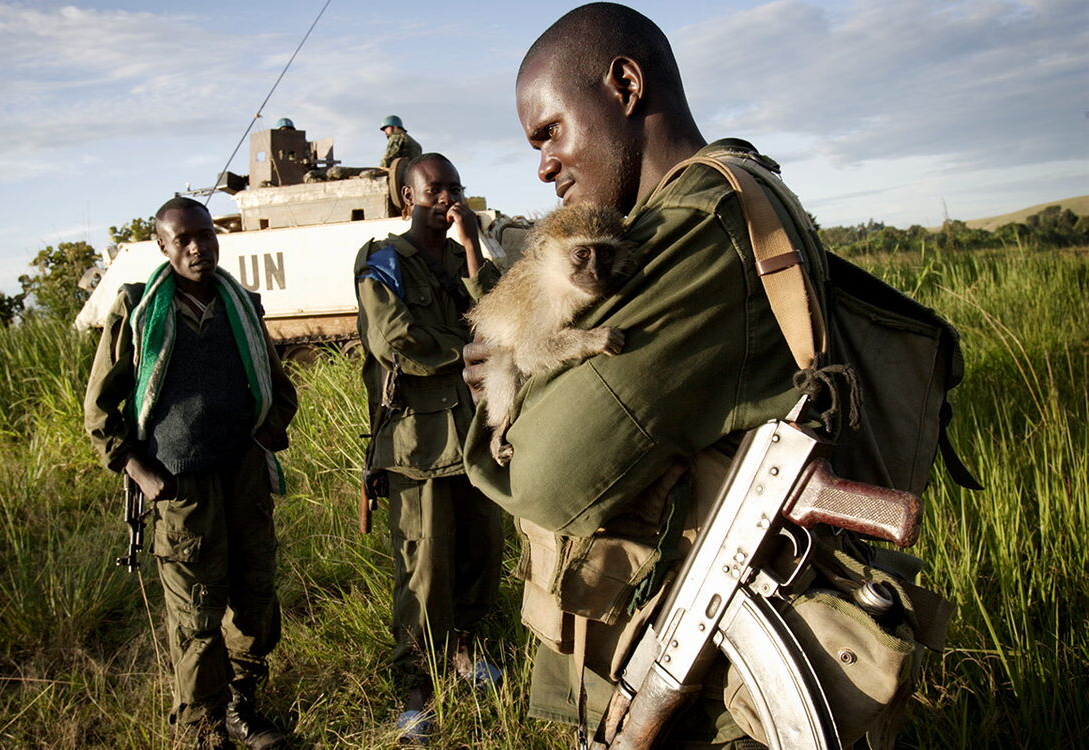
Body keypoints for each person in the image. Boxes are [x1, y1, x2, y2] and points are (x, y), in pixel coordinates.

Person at [461, 3, 838, 747]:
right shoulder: (681, 213)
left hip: (718, 696)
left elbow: (543, 476)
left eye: (550, 131)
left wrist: (497, 409)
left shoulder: (698, 225)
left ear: (626, 85)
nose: (541, 165)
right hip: (672, 654)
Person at [84, 196, 298, 750]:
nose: (199, 248)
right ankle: (202, 729)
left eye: (206, 235)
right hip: (182, 489)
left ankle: (242, 709)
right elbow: (100, 412)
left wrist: (265, 433)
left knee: (254, 600)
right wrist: (142, 473)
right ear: (164, 247)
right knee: (197, 615)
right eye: (184, 240)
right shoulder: (137, 309)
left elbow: (279, 389)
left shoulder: (240, 304)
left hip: (243, 479)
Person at [354, 153, 504, 742]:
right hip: (418, 442)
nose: (447, 199)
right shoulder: (382, 260)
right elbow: (394, 339)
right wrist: (463, 353)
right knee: (423, 566)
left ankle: (465, 655)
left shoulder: (461, 256)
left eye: (455, 189)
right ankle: (416, 691)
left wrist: (472, 250)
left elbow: (498, 319)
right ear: (406, 199)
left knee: (481, 550)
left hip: (474, 433)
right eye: (434, 190)